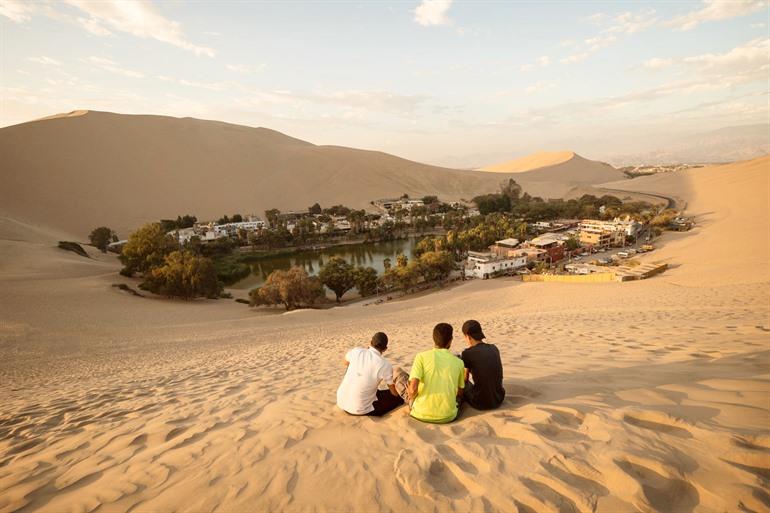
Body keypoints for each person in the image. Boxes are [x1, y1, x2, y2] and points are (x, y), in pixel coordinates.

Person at [336, 332, 408, 416]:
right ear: (385, 349)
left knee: (378, 392)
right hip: (360, 409)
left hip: (341, 401)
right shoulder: (384, 364)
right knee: (397, 398)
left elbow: (345, 363)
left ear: (370, 342)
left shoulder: (356, 351)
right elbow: (393, 393)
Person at [407, 323, 465, 423]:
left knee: (403, 377)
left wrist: (411, 396)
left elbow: (412, 390)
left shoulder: (421, 356)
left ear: (433, 339)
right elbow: (460, 393)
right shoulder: (459, 362)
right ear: (450, 340)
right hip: (448, 416)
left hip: (419, 414)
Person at [460, 320, 505, 410]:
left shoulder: (467, 353)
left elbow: (465, 378)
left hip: (481, 403)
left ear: (468, 336)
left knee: (463, 384)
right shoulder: (494, 348)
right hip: (499, 398)